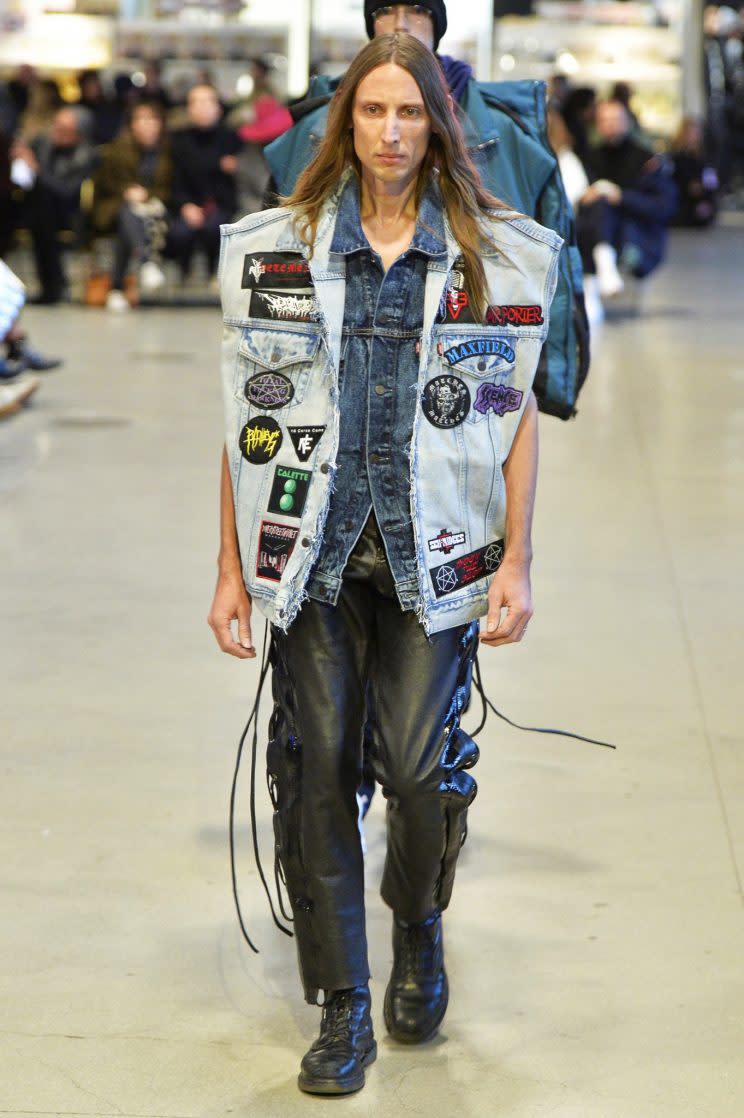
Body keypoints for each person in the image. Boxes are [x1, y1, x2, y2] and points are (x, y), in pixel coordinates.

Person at [209, 32, 561, 1096]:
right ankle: (344, 1003)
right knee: (316, 773)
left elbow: (516, 418)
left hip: (435, 560)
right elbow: (240, 422)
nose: (393, 131)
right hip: (311, 556)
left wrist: (518, 562)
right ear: (343, 124)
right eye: (374, 113)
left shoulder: (495, 253)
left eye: (411, 113)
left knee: (415, 770)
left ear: (438, 126)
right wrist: (229, 569)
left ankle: (417, 926)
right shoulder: (285, 246)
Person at [576, 98, 678, 295]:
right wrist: (585, 198)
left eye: (615, 119)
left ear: (627, 121)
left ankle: (604, 261)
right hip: (595, 228)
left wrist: (621, 197)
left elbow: (663, 206)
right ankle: (603, 261)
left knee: (604, 206)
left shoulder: (647, 160)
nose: (611, 124)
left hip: (636, 233)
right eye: (605, 119)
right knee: (599, 207)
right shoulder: (588, 158)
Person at [11, 106, 98, 304]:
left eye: (63, 128)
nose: (56, 132)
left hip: (69, 212)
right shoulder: (43, 144)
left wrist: (37, 171)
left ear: (78, 133)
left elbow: (67, 191)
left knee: (43, 214)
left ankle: (54, 285)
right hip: (37, 209)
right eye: (55, 126)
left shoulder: (87, 155)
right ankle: (48, 285)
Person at [92, 100, 173, 310]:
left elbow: (171, 188)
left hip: (157, 210)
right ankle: (146, 263)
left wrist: (147, 195)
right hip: (116, 206)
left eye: (151, 119)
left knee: (126, 230)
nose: (146, 124)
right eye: (141, 119)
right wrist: (127, 192)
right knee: (128, 215)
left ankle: (117, 289)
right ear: (131, 124)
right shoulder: (115, 151)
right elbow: (104, 184)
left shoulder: (168, 153)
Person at [167, 83, 240, 279]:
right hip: (188, 203)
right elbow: (176, 179)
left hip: (222, 204)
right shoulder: (179, 140)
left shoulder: (232, 138)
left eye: (207, 101)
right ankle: (184, 274)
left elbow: (238, 180)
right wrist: (185, 205)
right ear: (189, 109)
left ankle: (213, 274)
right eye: (196, 102)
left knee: (215, 228)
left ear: (218, 107)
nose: (202, 107)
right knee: (180, 233)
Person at [670, 114, 719, 226]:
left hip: (700, 197)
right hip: (681, 198)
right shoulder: (675, 157)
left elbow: (712, 183)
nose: (692, 137)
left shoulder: (705, 158)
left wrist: (704, 194)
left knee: (703, 215)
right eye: (689, 134)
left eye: (695, 134)